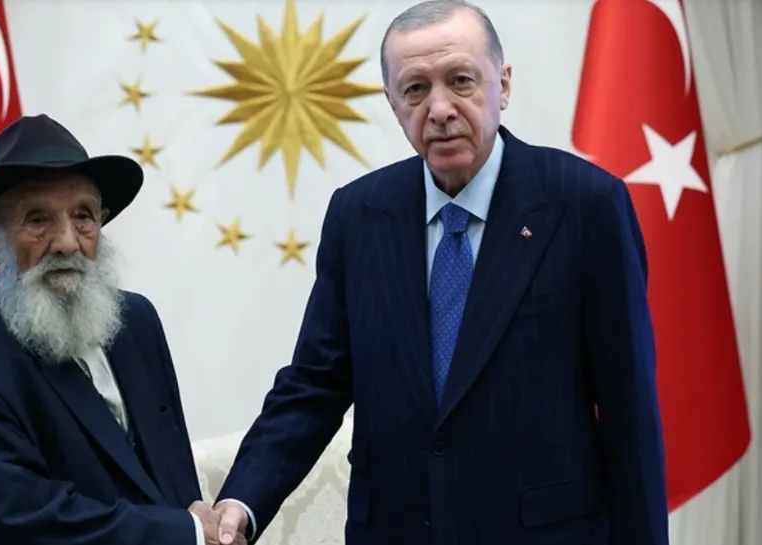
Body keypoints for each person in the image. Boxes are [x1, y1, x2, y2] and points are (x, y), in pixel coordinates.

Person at [211, 1, 669, 544]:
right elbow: (314, 384)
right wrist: (242, 501)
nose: (440, 109)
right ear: (393, 103)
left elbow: (627, 409)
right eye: (415, 89)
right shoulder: (359, 215)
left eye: (460, 81)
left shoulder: (586, 205)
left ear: (503, 84)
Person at [0, 114, 240, 545]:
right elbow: (22, 523)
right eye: (38, 220)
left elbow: (168, 477)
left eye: (83, 216)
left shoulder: (136, 322)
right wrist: (188, 533)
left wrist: (198, 526)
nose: (66, 242)